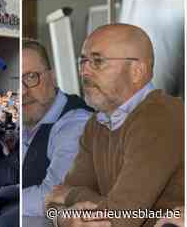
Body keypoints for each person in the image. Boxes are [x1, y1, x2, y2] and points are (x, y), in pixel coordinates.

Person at [45, 24, 184, 227]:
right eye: (83, 61)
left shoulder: (160, 117)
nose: (84, 71)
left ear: (137, 71)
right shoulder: (96, 123)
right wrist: (62, 218)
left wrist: (71, 197)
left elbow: (119, 219)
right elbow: (50, 204)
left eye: (97, 61)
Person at [22, 39, 93, 216]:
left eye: (31, 77)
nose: (23, 91)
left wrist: (7, 198)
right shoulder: (30, 118)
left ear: (52, 77)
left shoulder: (76, 123)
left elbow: (53, 197)